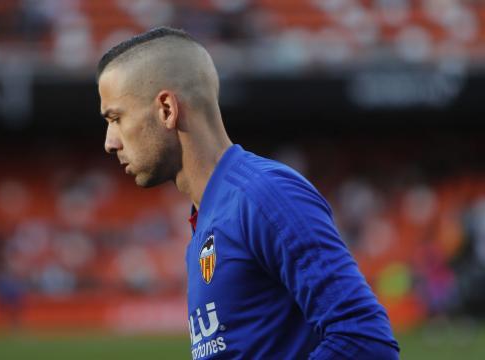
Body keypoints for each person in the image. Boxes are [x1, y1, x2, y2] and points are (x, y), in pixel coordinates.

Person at [97, 27, 399, 359]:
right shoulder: (209, 219)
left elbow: (365, 339)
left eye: (116, 118)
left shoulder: (264, 196)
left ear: (167, 109)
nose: (110, 142)